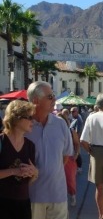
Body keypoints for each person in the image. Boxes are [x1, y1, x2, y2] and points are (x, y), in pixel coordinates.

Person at [26, 81, 73, 219]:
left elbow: (65, 157)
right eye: (50, 97)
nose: (55, 99)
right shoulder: (24, 127)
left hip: (57, 195)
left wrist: (51, 172)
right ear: (36, 100)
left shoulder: (60, 124)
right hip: (33, 196)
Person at [0, 100, 38, 219]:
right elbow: (17, 172)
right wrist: (15, 171)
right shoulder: (1, 141)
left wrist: (34, 172)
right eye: (29, 117)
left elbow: (30, 179)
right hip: (2, 203)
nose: (33, 121)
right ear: (16, 119)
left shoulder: (30, 146)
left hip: (23, 204)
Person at [57, 112, 80, 207]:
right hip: (57, 158)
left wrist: (76, 154)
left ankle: (72, 195)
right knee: (57, 179)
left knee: (70, 179)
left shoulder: (70, 131)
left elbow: (77, 143)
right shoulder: (53, 131)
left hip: (69, 158)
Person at [70, 107, 83, 174]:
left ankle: (79, 167)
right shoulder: (73, 119)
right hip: (74, 139)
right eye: (71, 111)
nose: (72, 113)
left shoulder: (78, 120)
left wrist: (77, 141)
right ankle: (79, 167)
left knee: (77, 153)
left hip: (76, 139)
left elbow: (79, 131)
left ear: (77, 112)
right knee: (76, 152)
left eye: (73, 111)